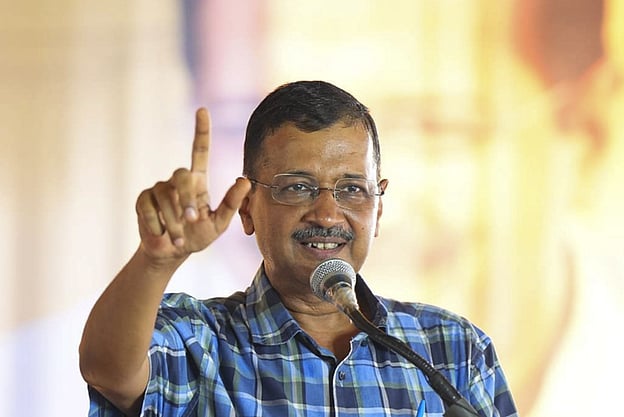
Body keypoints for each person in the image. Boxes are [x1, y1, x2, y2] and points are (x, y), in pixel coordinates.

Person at [79, 80, 518, 417]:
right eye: (297, 187)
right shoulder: (199, 339)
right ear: (248, 209)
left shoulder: (453, 349)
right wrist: (156, 261)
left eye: (352, 189)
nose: (326, 215)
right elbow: (107, 370)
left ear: (379, 208)